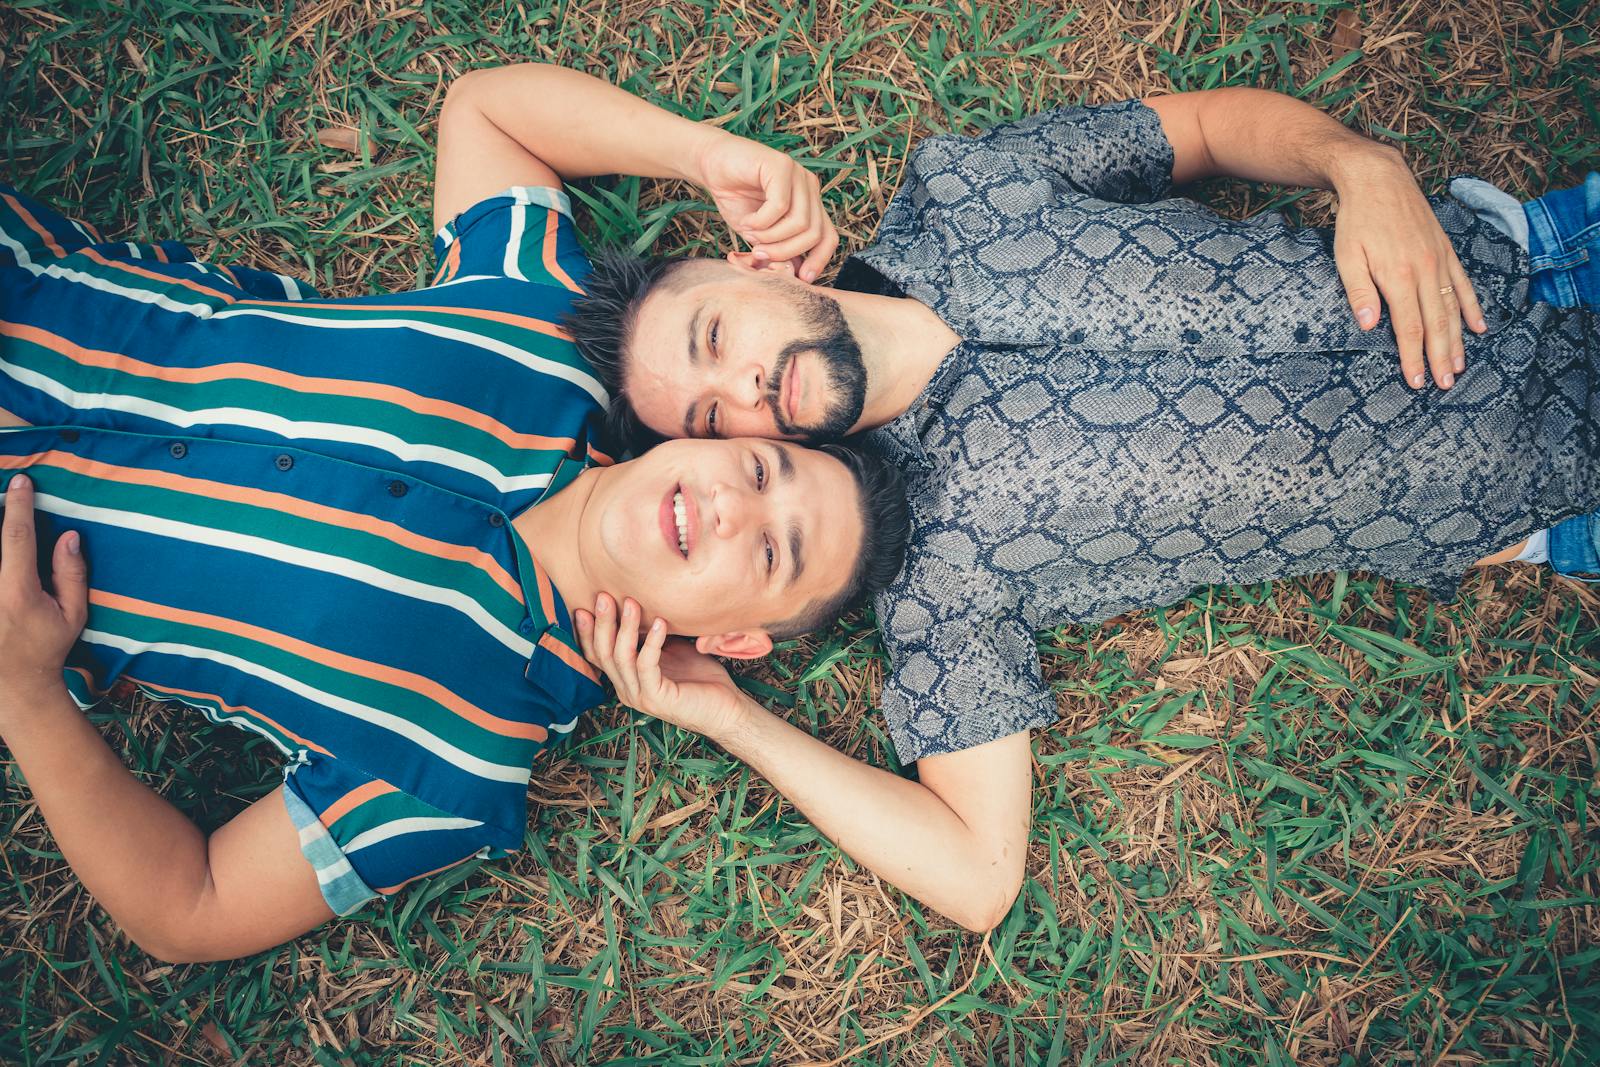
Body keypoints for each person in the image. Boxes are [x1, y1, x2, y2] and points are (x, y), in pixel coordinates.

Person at [550, 68, 1598, 929]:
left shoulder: (968, 184)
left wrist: (1355, 163)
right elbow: (976, 874)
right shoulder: (932, 579)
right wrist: (728, 715)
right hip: (1556, 469)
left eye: (713, 336)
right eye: (707, 421)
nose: (739, 392)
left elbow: (1200, 127)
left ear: (746, 265)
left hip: (1543, 248)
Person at [0, 64, 910, 961]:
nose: (727, 509)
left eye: (769, 555)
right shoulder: (548, 333)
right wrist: (705, 152)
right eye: (757, 469)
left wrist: (29, 697)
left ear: (733, 643)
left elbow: (190, 907)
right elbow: (489, 114)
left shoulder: (458, 760)